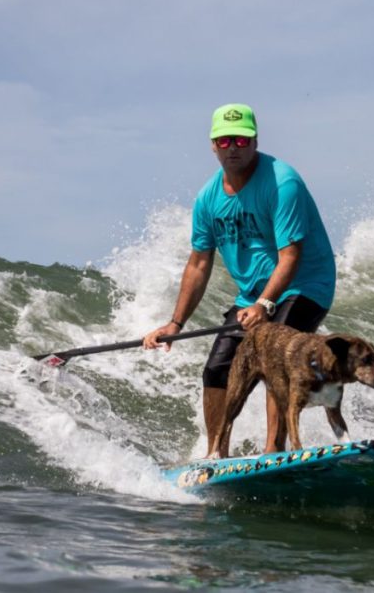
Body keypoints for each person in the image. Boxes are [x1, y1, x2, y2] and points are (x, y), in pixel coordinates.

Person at [143, 103, 336, 458]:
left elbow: (290, 256)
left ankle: (273, 452)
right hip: (254, 294)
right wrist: (175, 322)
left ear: (255, 141)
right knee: (217, 369)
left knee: (273, 356)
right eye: (225, 140)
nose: (234, 147)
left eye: (242, 140)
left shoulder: (282, 183)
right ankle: (216, 454)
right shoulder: (208, 199)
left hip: (305, 285)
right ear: (213, 145)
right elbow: (200, 263)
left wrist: (264, 304)